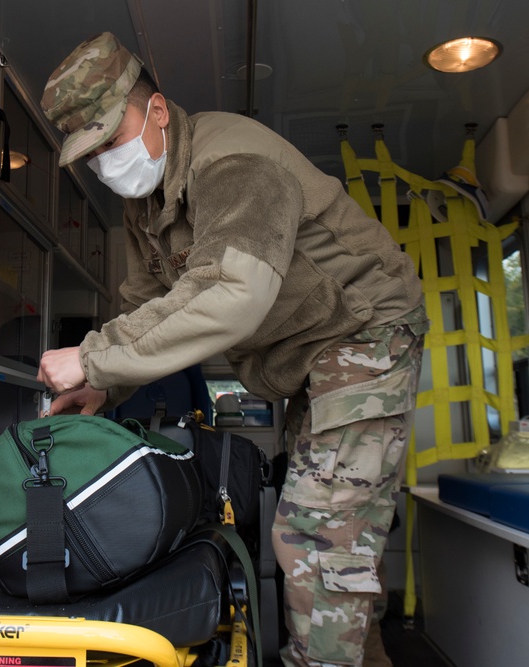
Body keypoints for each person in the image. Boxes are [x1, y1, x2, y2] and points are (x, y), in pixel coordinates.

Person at [36, 31, 427, 667]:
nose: (107, 162)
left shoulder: (235, 163)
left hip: (365, 332)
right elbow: (143, 302)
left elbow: (231, 291)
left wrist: (94, 357)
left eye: (113, 137)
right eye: (93, 153)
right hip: (308, 358)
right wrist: (105, 384)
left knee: (316, 536)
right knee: (337, 549)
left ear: (158, 109)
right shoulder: (150, 200)